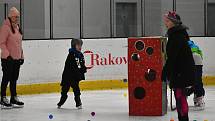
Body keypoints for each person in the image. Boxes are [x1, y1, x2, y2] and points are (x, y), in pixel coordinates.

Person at [162, 11, 195, 121]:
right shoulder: (178, 34)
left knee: (180, 97)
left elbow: (172, 57)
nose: (165, 23)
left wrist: (165, 72)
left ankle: (184, 119)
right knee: (180, 97)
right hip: (181, 72)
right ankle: (183, 118)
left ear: (173, 22)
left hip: (181, 73)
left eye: (167, 21)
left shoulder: (176, 36)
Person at [0, 7, 24, 108]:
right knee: (6, 78)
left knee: (14, 78)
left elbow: (19, 44)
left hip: (16, 58)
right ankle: (3, 97)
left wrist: (21, 56)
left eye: (18, 17)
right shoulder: (5, 27)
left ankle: (13, 97)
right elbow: (2, 43)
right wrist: (7, 55)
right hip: (7, 59)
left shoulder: (17, 27)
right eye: (15, 16)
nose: (17, 18)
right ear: (10, 17)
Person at [57, 38, 87, 109]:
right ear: (74, 46)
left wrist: (83, 68)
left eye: (81, 45)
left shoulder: (80, 55)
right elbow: (71, 67)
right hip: (68, 77)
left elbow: (81, 64)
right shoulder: (71, 55)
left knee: (77, 90)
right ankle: (61, 101)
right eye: (78, 45)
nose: (80, 47)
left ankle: (78, 103)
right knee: (64, 91)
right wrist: (79, 70)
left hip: (74, 77)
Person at [186, 40, 205, 110]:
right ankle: (198, 96)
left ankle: (197, 96)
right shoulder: (193, 45)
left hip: (194, 61)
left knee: (192, 81)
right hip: (198, 61)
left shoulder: (182, 43)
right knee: (197, 81)